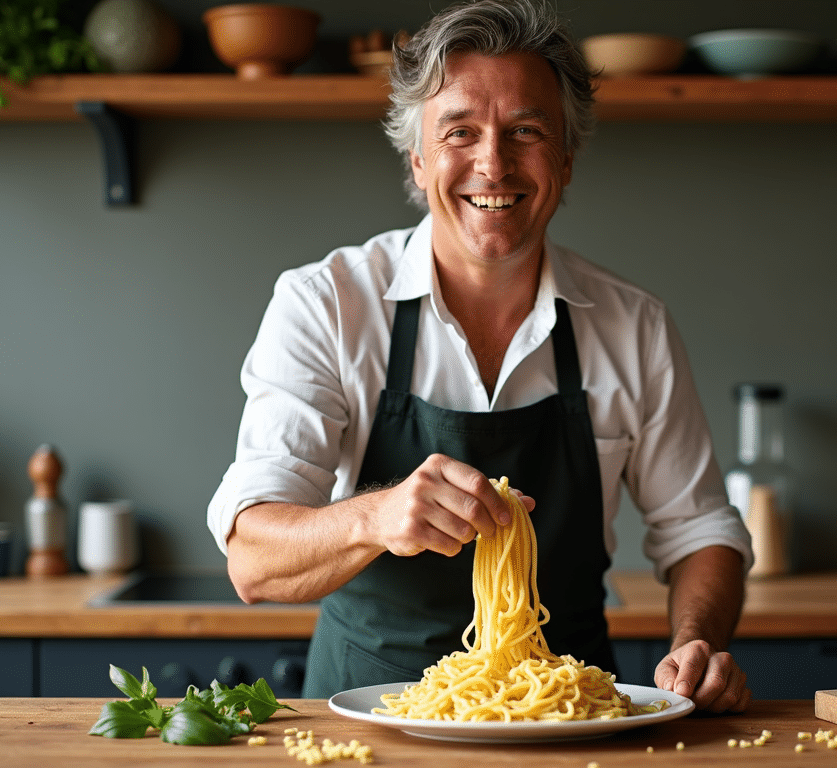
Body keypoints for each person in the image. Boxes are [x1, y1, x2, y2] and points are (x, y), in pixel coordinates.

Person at [207, 0, 753, 713]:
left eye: (525, 131)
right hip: (367, 727)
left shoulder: (633, 325)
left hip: (567, 720)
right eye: (460, 131)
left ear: (564, 158)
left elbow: (701, 530)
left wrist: (695, 640)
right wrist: (375, 518)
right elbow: (251, 559)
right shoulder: (327, 304)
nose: (492, 163)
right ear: (419, 158)